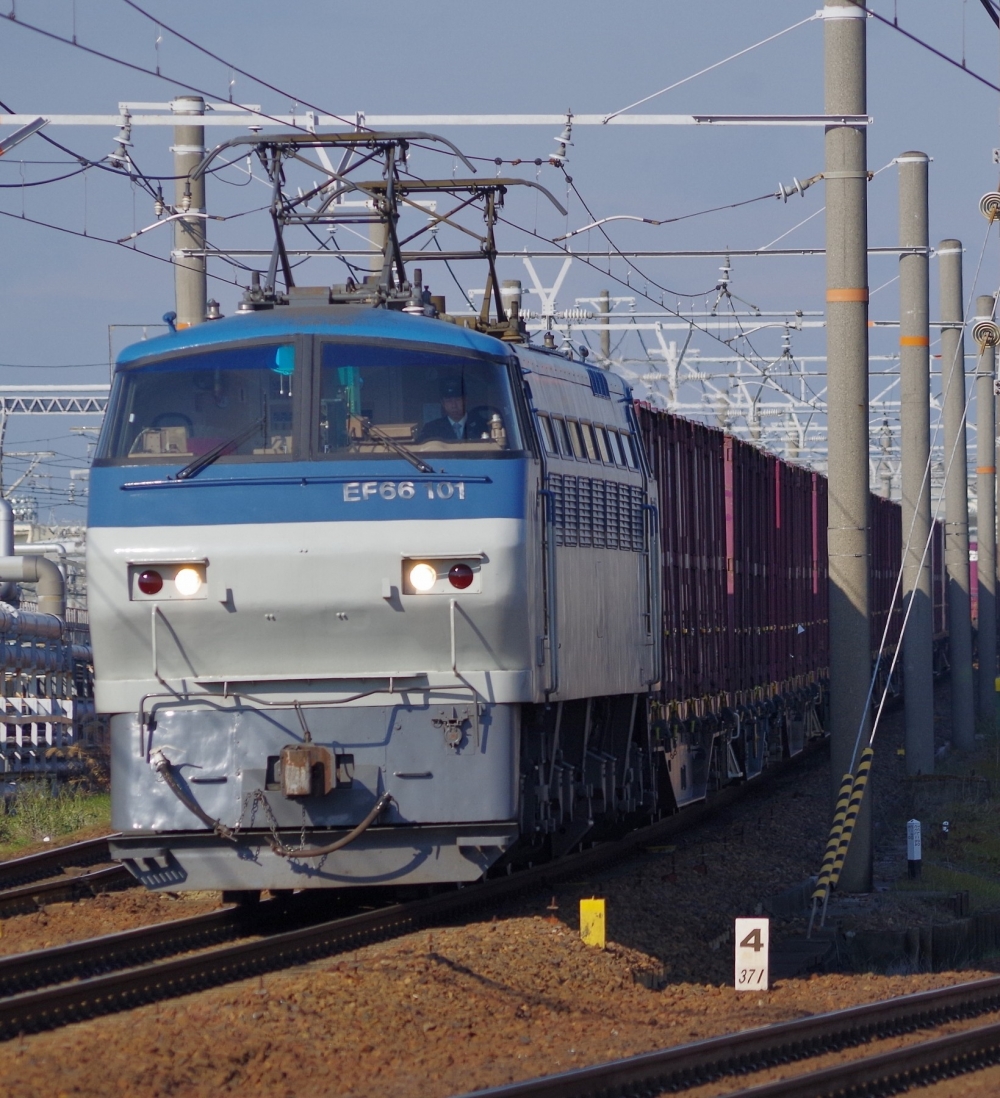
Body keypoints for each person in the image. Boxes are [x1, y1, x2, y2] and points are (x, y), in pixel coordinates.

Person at [418, 378, 495, 442]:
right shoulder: (432, 429)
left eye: (458, 400)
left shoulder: (483, 425)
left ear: (465, 400)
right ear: (442, 403)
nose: (454, 405)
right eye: (449, 401)